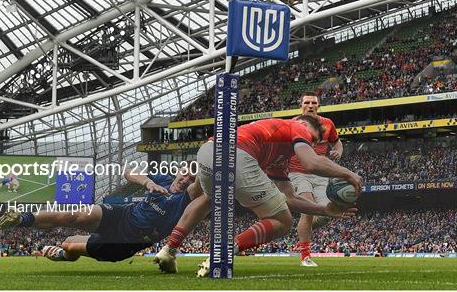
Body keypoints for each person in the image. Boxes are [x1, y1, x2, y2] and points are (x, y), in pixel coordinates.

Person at [154, 115, 362, 276]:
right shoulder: (296, 126)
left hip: (208, 151)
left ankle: (169, 249)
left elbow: (288, 200)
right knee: (283, 220)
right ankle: (224, 253)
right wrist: (349, 173)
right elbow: (311, 163)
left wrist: (324, 209)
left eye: (317, 142)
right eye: (314, 138)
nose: (313, 144)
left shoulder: (279, 155)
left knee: (209, 199)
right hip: (237, 154)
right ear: (302, 123)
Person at [0, 166, 198, 262]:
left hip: (125, 242)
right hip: (121, 215)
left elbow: (202, 180)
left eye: (192, 177)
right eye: (185, 172)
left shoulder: (187, 198)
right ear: (178, 171)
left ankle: (62, 254)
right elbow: (129, 172)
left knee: (68, 244)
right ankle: (22, 218)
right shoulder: (161, 179)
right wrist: (148, 182)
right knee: (76, 215)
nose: (186, 178)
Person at [289, 91, 343, 267]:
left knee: (327, 212)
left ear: (318, 106)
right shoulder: (292, 124)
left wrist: (338, 151)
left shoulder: (328, 124)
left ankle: (303, 228)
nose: (310, 105)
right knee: (309, 209)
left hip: (321, 174)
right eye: (307, 102)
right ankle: (305, 256)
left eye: (314, 103)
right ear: (301, 105)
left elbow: (337, 142)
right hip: (298, 173)